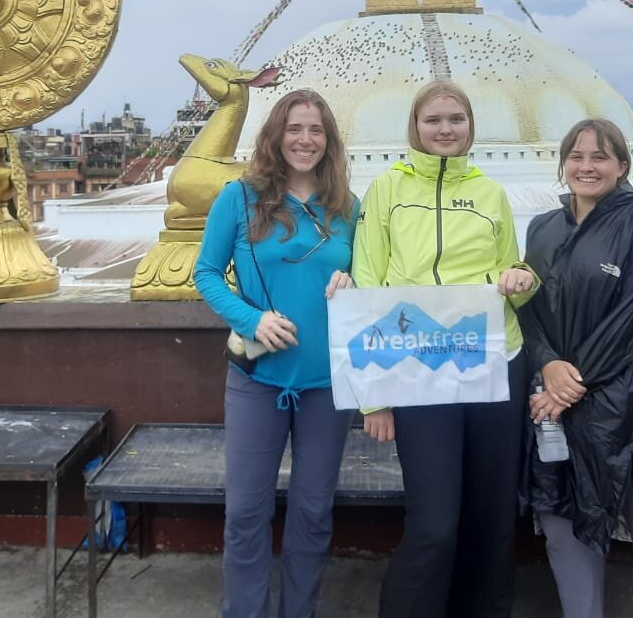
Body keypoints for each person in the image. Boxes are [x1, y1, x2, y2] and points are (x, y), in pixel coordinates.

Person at [352, 80, 537, 618]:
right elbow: (367, 285)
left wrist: (523, 279)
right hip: (419, 371)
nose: (445, 129)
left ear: (470, 126)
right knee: (434, 521)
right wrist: (373, 396)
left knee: (493, 512)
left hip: (493, 362)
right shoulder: (387, 189)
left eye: (456, 119)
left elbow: (514, 269)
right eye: (434, 120)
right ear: (415, 126)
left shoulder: (489, 193)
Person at [518, 118, 633, 618]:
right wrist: (548, 364)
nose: (587, 167)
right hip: (556, 399)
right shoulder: (543, 229)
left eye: (600, 157)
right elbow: (529, 311)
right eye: (576, 156)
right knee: (560, 514)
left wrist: (565, 386)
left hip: (631, 401)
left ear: (622, 165)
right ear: (563, 164)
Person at [194, 88, 359, 618]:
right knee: (246, 511)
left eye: (315, 131)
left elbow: (375, 277)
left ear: (329, 141)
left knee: (313, 513)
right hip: (257, 381)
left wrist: (356, 280)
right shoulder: (238, 198)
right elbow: (206, 274)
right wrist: (252, 319)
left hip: (327, 385)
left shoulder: (348, 209)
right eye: (294, 129)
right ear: (275, 136)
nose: (305, 140)